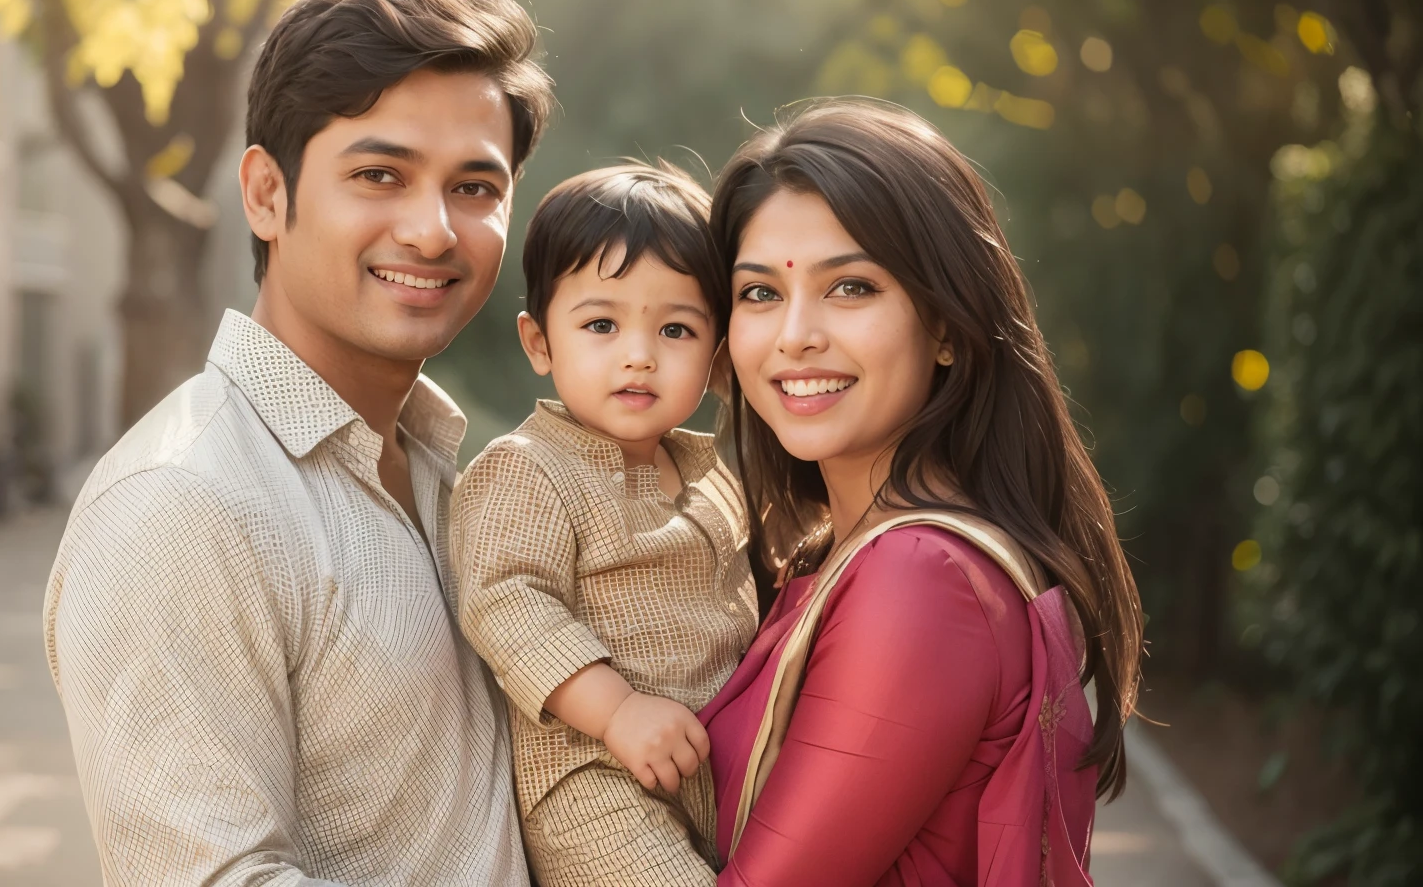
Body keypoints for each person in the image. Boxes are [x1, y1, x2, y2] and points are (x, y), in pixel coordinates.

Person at [43, 0, 555, 886]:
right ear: (266, 195)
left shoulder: (456, 470)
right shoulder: (182, 503)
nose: (433, 230)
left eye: (474, 188)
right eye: (379, 174)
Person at [697, 99, 1145, 886]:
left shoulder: (920, 577)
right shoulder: (850, 556)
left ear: (946, 325)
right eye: (760, 293)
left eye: (852, 288)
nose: (795, 333)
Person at [450, 164, 756, 887]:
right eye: (600, 324)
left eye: (676, 329)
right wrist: (615, 711)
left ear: (715, 356)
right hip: (596, 776)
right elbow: (506, 601)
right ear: (539, 342)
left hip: (716, 770)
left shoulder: (713, 474)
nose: (639, 354)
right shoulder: (529, 469)